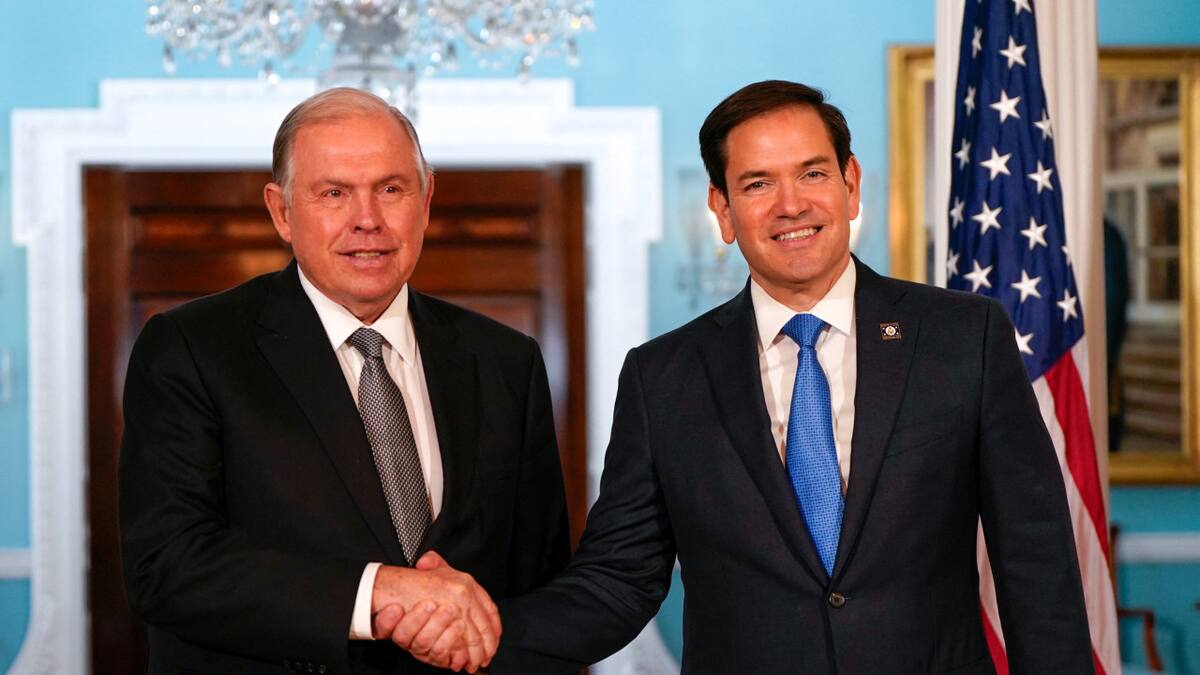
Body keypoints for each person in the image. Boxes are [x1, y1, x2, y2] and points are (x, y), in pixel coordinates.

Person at [442, 80, 1089, 674]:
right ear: (722, 211)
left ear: (851, 184)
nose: (791, 204)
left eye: (812, 172)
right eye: (756, 184)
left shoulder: (963, 337)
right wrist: (482, 628)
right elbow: (620, 579)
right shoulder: (662, 376)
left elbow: (1036, 560)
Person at [118, 87, 571, 674]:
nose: (367, 220)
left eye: (391, 189)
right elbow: (166, 566)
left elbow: (541, 586)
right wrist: (378, 593)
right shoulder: (191, 348)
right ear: (281, 212)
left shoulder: (507, 360)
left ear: (426, 201)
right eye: (333, 193)